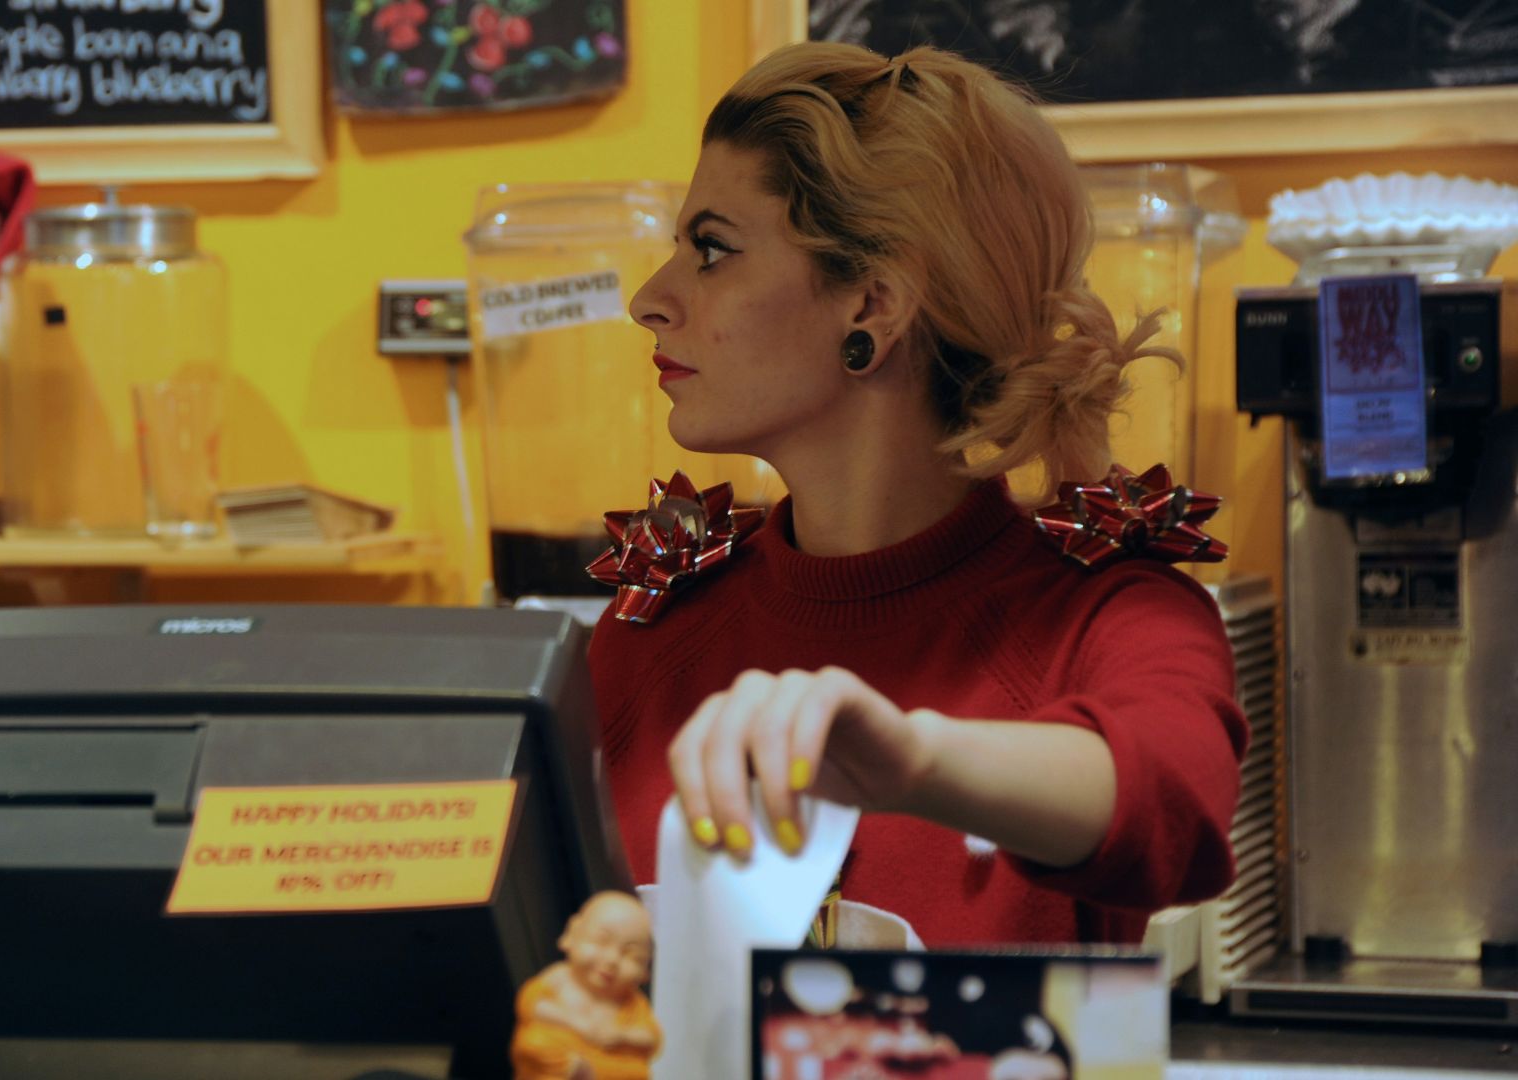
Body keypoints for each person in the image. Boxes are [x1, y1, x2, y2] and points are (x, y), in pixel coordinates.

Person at [589, 42, 1248, 945]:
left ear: (873, 305)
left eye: (711, 251)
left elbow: (1174, 804)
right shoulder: (649, 631)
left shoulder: (1109, 617)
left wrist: (913, 760)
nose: (650, 300)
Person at [510, 891, 661, 1080]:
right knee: (534, 1042)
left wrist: (621, 1036)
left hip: (606, 1065)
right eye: (601, 941)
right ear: (571, 933)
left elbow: (651, 1039)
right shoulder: (560, 977)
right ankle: (574, 1069)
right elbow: (530, 1005)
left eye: (631, 955)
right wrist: (576, 1023)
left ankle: (586, 1073)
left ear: (645, 970)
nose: (612, 960)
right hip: (563, 1057)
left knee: (637, 1071)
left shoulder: (631, 1002)